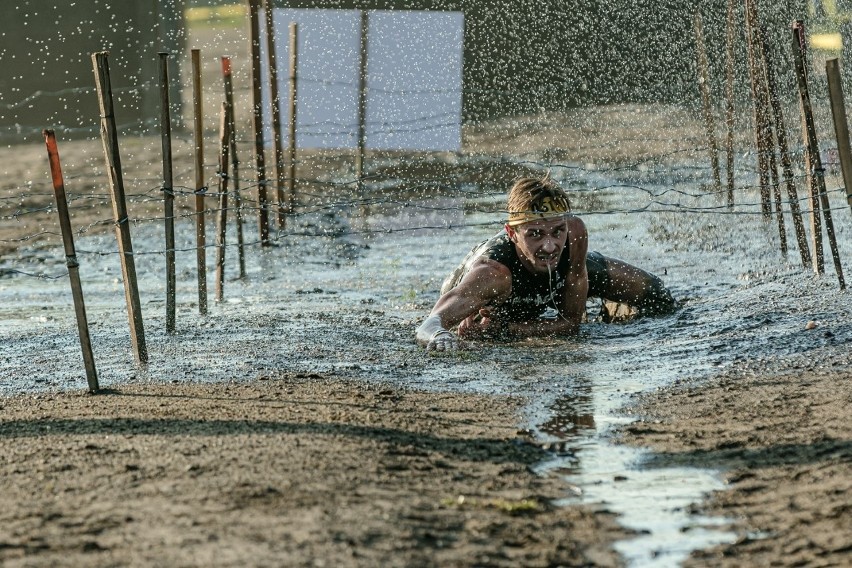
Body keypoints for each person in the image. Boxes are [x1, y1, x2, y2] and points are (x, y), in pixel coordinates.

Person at [415, 175, 678, 351]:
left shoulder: (574, 235)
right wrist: (441, 336)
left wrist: (507, 330)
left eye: (556, 231)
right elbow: (429, 324)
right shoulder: (493, 275)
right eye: (535, 234)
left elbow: (571, 323)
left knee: (657, 294)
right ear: (512, 233)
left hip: (559, 280)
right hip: (484, 292)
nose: (550, 246)